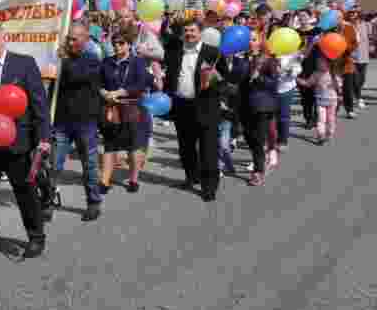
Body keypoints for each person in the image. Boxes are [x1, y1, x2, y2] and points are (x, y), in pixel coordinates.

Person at [0, 23, 50, 263]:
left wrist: (44, 138)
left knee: (24, 191)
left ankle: (36, 237)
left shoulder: (24, 64)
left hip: (18, 140)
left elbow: (39, 103)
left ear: (4, 39)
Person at [163, 19, 229, 201]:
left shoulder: (213, 52)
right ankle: (192, 176)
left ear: (200, 33)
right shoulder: (175, 50)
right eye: (186, 31)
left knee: (208, 149)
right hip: (182, 106)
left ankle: (209, 187)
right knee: (186, 147)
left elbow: (225, 79)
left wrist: (215, 80)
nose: (189, 34)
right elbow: (170, 75)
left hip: (206, 106)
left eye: (192, 30)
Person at [51, 23, 104, 220]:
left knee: (89, 164)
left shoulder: (92, 59)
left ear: (85, 39)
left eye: (75, 39)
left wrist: (63, 60)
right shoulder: (61, 59)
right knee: (54, 164)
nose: (71, 42)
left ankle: (93, 202)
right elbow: (53, 86)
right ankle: (48, 200)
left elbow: (75, 76)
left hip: (85, 122)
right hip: (62, 121)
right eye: (69, 39)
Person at [99, 25, 152, 193]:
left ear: (129, 45)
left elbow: (141, 84)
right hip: (111, 108)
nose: (117, 46)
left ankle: (134, 179)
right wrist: (104, 93)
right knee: (109, 145)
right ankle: (104, 181)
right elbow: (97, 82)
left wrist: (120, 92)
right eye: (114, 43)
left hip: (132, 108)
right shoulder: (107, 62)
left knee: (133, 147)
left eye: (121, 43)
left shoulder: (138, 62)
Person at [232, 30, 279, 186]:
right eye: (248, 39)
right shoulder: (241, 58)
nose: (250, 42)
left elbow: (273, 83)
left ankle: (258, 171)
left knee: (258, 139)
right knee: (249, 137)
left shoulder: (268, 60)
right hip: (244, 105)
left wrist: (259, 77)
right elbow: (235, 78)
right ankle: (261, 157)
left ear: (260, 42)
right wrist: (238, 61)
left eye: (253, 39)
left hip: (262, 105)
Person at [299, 55, 340, 144]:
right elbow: (308, 83)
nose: (318, 64)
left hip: (332, 101)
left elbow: (339, 85)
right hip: (320, 101)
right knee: (321, 119)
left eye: (321, 63)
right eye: (317, 63)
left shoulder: (333, 73)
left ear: (328, 64)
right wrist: (299, 80)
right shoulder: (316, 74)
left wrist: (335, 85)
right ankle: (321, 135)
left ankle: (329, 133)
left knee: (330, 119)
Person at [347, 8, 368, 109]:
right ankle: (359, 98)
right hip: (351, 56)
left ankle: (354, 93)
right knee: (356, 79)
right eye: (350, 13)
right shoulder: (347, 26)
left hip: (364, 55)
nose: (352, 14)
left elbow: (370, 37)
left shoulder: (365, 25)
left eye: (354, 13)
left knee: (362, 79)